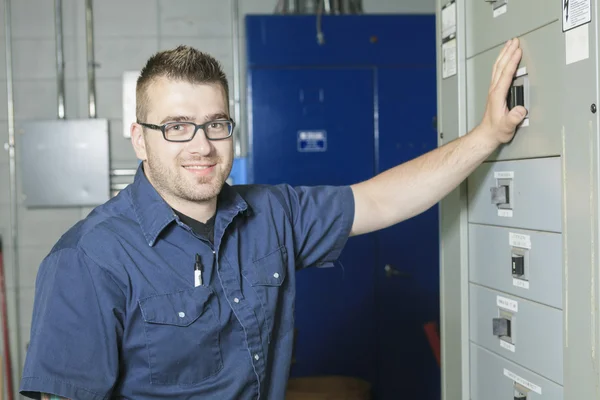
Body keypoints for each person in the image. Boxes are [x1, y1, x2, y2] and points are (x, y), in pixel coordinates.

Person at [19, 38, 526, 400]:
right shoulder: (88, 258)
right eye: (177, 126)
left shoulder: (271, 214)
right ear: (140, 138)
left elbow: (380, 201)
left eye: (215, 123)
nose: (202, 144)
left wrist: (486, 136)